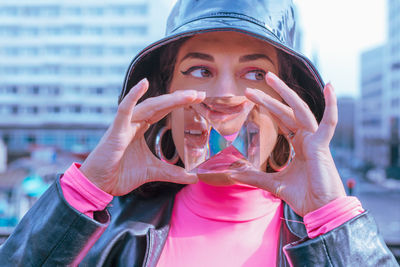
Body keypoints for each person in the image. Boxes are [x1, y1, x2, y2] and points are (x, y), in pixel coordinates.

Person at [0, 0, 398, 266]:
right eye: (200, 71)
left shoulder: (322, 230)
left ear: (291, 99)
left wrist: (329, 217)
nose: (225, 95)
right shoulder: (107, 229)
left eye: (256, 73)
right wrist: (86, 191)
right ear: (164, 94)